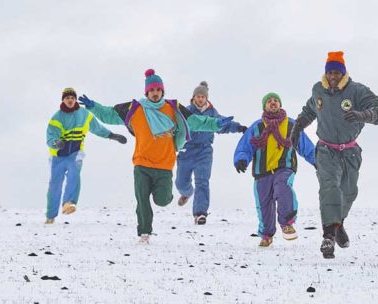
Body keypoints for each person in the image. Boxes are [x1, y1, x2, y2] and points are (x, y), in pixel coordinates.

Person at [79, 69, 244, 243]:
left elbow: (196, 121)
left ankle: (168, 197)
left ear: (162, 92)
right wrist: (93, 106)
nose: (155, 93)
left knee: (162, 200)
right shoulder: (135, 108)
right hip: (142, 163)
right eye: (152, 90)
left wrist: (216, 123)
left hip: (164, 166)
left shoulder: (173, 108)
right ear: (147, 92)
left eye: (158, 90)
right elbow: (110, 114)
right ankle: (144, 233)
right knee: (142, 199)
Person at [290, 51, 378, 259]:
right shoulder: (318, 90)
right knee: (329, 187)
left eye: (337, 73)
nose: (333, 77)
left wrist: (363, 115)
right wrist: (297, 127)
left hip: (350, 152)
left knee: (348, 192)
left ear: (343, 73)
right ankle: (328, 236)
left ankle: (338, 223)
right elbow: (309, 110)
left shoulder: (357, 91)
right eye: (330, 73)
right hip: (326, 150)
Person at [234, 92, 316, 247]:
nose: (273, 102)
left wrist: (317, 161)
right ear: (264, 106)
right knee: (264, 205)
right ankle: (266, 234)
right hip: (262, 172)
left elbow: (306, 146)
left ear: (280, 105)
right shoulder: (257, 126)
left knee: (283, 188)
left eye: (276, 100)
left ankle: (287, 223)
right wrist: (241, 159)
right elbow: (245, 146)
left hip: (284, 168)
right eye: (269, 101)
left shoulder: (291, 125)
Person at [44, 87, 126, 224]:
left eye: (72, 98)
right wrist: (56, 143)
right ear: (63, 100)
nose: (70, 100)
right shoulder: (56, 118)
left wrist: (112, 136)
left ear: (75, 100)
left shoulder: (84, 114)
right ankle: (50, 216)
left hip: (75, 153)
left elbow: (97, 128)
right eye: (67, 98)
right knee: (55, 184)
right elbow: (50, 136)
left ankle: (69, 203)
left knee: (74, 173)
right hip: (58, 155)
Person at [176, 81, 222, 225]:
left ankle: (200, 213)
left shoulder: (213, 113)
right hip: (187, 150)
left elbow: (222, 124)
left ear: (206, 98)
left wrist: (238, 127)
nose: (201, 99)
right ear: (193, 98)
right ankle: (186, 193)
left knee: (202, 181)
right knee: (181, 183)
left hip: (204, 151)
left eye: (203, 96)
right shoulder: (187, 111)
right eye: (198, 96)